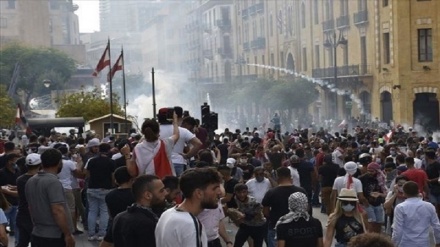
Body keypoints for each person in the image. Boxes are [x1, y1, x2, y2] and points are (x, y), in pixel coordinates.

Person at [155, 168, 222, 247]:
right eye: (214, 189)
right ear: (199, 193)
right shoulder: (190, 224)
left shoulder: (167, 214)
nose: (220, 192)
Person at [25, 148, 75, 247]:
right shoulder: (53, 182)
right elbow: (57, 210)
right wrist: (67, 234)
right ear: (60, 163)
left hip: (37, 233)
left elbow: (30, 208)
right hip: (54, 236)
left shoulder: (30, 181)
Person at [112, 175, 167, 247]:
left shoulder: (119, 217)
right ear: (148, 195)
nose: (165, 193)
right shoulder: (146, 223)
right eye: (161, 191)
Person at [262, 167, 308, 247]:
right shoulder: (301, 191)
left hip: (276, 226)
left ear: (277, 177)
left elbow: (265, 212)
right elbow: (307, 209)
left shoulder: (271, 193)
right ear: (290, 176)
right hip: (297, 228)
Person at [125, 114, 179, 178]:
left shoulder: (137, 148)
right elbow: (176, 135)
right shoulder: (166, 143)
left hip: (146, 184)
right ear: (158, 131)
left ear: (143, 132)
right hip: (166, 183)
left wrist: (127, 155)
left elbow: (132, 172)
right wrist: (175, 122)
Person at [392, 181, 440, 247]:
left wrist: (394, 243)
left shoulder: (400, 207)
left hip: (405, 243)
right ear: (418, 191)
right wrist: (438, 241)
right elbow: (436, 226)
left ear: (404, 193)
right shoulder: (429, 206)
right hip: (423, 243)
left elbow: (398, 229)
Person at [84, 142, 115, 241]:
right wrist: (113, 185)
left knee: (92, 211)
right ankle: (102, 233)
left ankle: (91, 234)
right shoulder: (111, 161)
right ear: (109, 150)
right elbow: (113, 176)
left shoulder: (91, 161)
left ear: (99, 150)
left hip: (92, 188)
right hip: (105, 189)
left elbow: (87, 174)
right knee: (104, 211)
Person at [101, 166, 135, 247]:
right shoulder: (135, 195)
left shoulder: (110, 195)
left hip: (116, 227)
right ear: (131, 179)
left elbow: (110, 213)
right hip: (133, 228)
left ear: (116, 180)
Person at [15, 153, 41, 247]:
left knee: (22, 242)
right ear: (40, 165)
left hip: (22, 214)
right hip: (36, 216)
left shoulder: (20, 179)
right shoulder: (39, 180)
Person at [358, 162, 387, 233]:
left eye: (372, 171)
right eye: (368, 171)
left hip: (378, 203)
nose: (370, 173)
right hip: (367, 203)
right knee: (371, 223)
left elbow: (385, 192)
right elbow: (359, 192)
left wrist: (379, 194)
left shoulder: (380, 178)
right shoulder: (362, 179)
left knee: (379, 222)